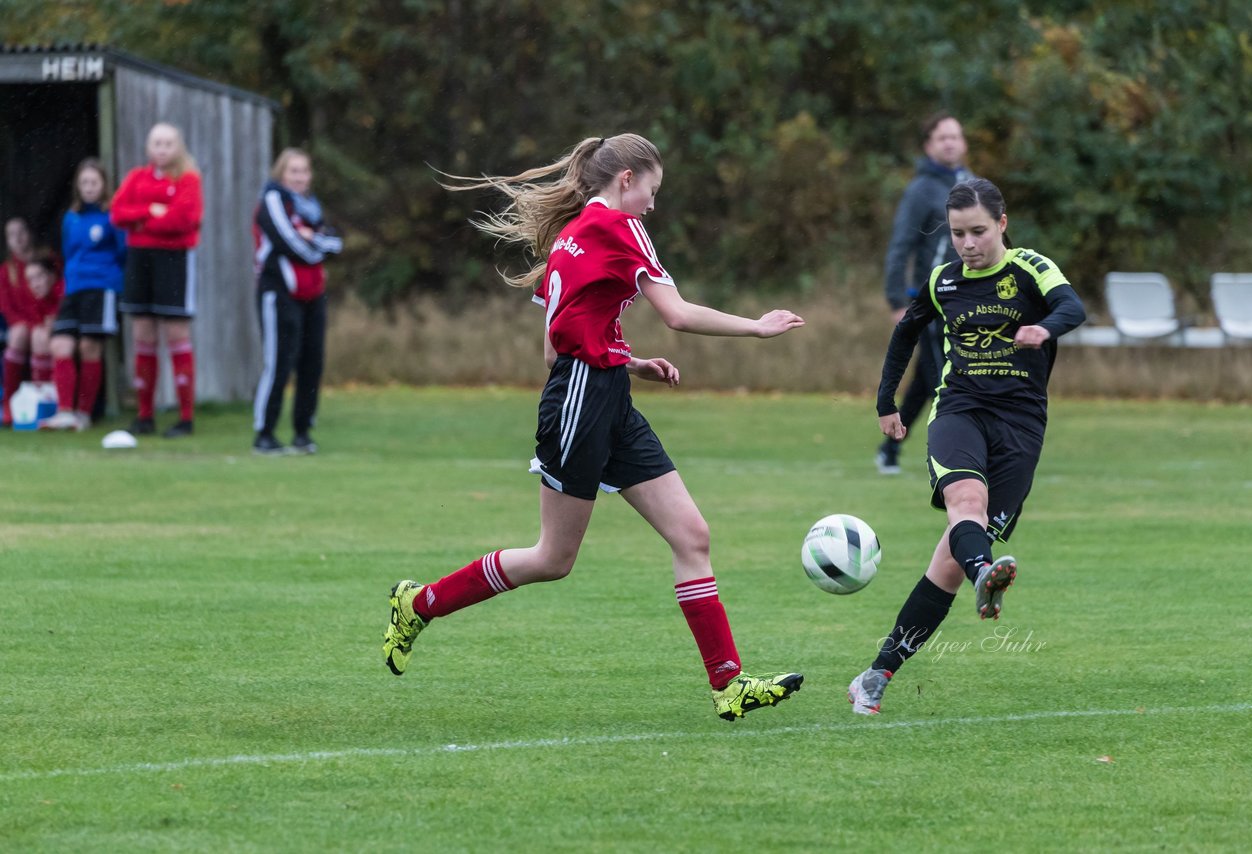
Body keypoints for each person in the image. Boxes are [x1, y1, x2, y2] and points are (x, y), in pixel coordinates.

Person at [383, 134, 807, 721]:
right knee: (553, 557)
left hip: (603, 392)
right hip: (582, 402)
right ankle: (420, 603)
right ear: (627, 178)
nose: (654, 205)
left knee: (692, 536)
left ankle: (728, 685)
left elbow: (563, 334)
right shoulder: (618, 227)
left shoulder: (575, 233)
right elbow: (678, 315)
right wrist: (757, 328)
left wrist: (626, 361)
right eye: (652, 191)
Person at [848, 178, 1086, 715]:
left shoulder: (1031, 268)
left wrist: (1045, 330)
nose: (967, 244)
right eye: (958, 234)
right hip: (959, 410)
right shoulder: (944, 281)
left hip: (1022, 426)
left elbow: (1073, 308)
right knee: (966, 506)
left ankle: (876, 674)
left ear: (1002, 225)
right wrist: (886, 400)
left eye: (978, 231)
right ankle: (987, 574)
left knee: (947, 566)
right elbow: (906, 332)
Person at [876, 112, 971, 475]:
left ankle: (889, 447)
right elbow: (901, 246)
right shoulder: (921, 190)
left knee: (925, 380)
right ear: (929, 145)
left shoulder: (973, 185)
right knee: (942, 377)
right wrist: (897, 300)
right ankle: (952, 456)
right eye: (941, 137)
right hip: (932, 299)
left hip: (969, 299)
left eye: (955, 136)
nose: (950, 143)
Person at [110, 122, 204, 438]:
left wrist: (144, 221)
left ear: (178, 147)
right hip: (140, 261)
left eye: (167, 143)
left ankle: (186, 418)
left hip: (173, 262)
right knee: (143, 334)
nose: (162, 149)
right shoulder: (137, 177)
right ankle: (144, 415)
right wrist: (152, 210)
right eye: (156, 143)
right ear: (149, 148)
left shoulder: (189, 179)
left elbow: (184, 219)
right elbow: (118, 213)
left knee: (176, 333)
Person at [250, 148, 343, 455]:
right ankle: (265, 433)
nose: (300, 177)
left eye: (304, 171)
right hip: (279, 293)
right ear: (281, 174)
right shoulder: (272, 200)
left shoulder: (312, 206)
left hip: (313, 294)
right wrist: (317, 245)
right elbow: (289, 243)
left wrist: (313, 239)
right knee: (279, 362)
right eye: (294, 171)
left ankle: (302, 432)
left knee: (311, 363)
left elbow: (337, 241)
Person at [40, 159, 129, 431]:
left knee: (89, 347)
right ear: (78, 187)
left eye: (94, 182)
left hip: (101, 287)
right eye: (84, 183)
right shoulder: (71, 217)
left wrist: (114, 280)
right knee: (60, 345)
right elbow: (69, 252)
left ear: (103, 185)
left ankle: (84, 414)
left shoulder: (112, 215)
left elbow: (124, 252)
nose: (89, 188)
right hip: (74, 287)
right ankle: (64, 411)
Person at [1, 241, 62, 427]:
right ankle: (10, 403)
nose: (34, 284)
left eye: (39, 277)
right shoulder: (32, 293)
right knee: (28, 334)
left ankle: (44, 402)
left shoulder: (62, 291)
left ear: (52, 276)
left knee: (40, 336)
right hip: (40, 337)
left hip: (65, 340)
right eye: (30, 279)